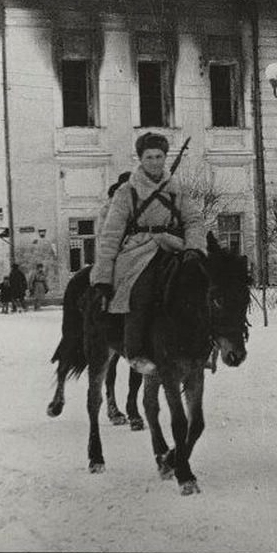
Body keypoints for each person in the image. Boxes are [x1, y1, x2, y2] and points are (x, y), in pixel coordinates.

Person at [90, 133, 205, 375]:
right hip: (136, 252)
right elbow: (110, 235)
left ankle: (199, 346)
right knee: (139, 291)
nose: (155, 161)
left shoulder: (176, 189)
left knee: (197, 287)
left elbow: (194, 220)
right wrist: (102, 278)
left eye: (159, 156)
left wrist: (194, 248)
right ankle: (135, 351)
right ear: (140, 159)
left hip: (173, 247)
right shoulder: (126, 192)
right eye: (149, 157)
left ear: (165, 157)